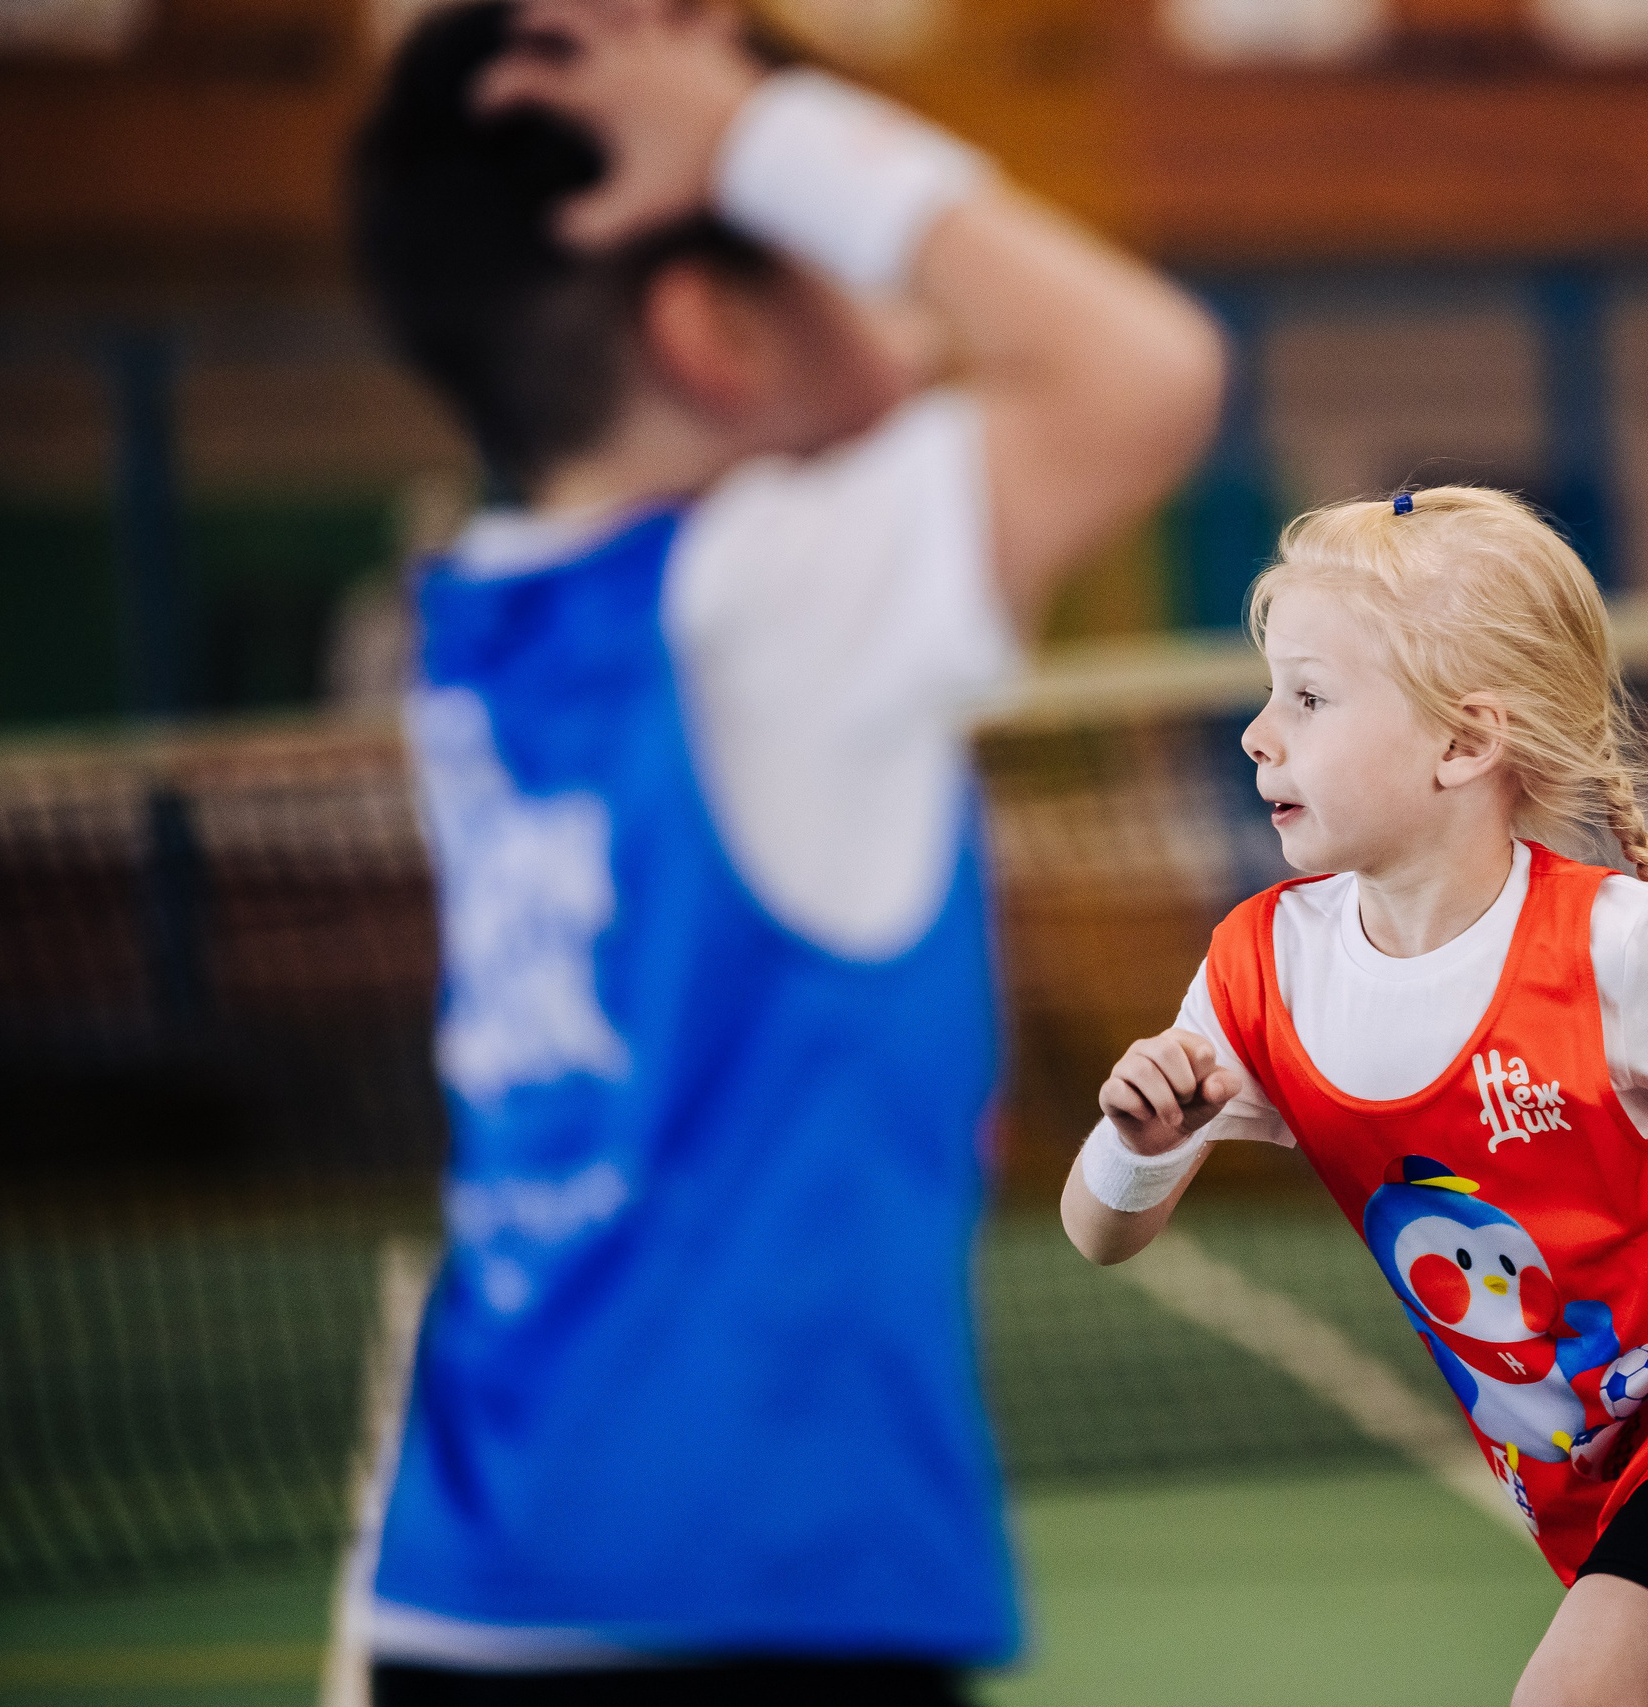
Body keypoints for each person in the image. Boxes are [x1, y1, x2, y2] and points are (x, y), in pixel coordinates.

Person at [342, 0, 1221, 1697]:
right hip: (744, 1591)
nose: (915, 315)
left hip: (471, 1579)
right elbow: (1144, 372)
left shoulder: (493, 609)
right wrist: (757, 134)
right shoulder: (767, 591)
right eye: (834, 251)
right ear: (712, 331)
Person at [1061, 488, 1648, 1707]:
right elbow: (1101, 1235)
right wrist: (1138, 1145)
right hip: (1581, 1492)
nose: (1257, 735)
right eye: (1270, 695)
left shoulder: (1615, 951)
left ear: (1463, 743)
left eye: (1309, 699)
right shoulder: (1259, 969)